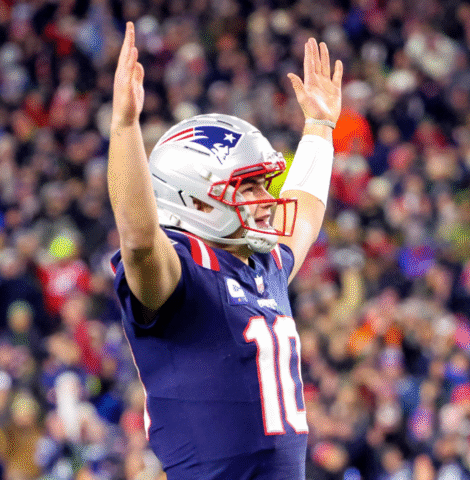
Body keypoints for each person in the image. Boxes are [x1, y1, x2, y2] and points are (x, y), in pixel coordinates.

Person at [107, 22, 342, 480]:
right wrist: (125, 129)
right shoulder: (183, 275)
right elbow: (138, 240)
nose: (265, 199)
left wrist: (319, 128)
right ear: (195, 200)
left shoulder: (260, 265)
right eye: (247, 187)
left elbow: (306, 214)